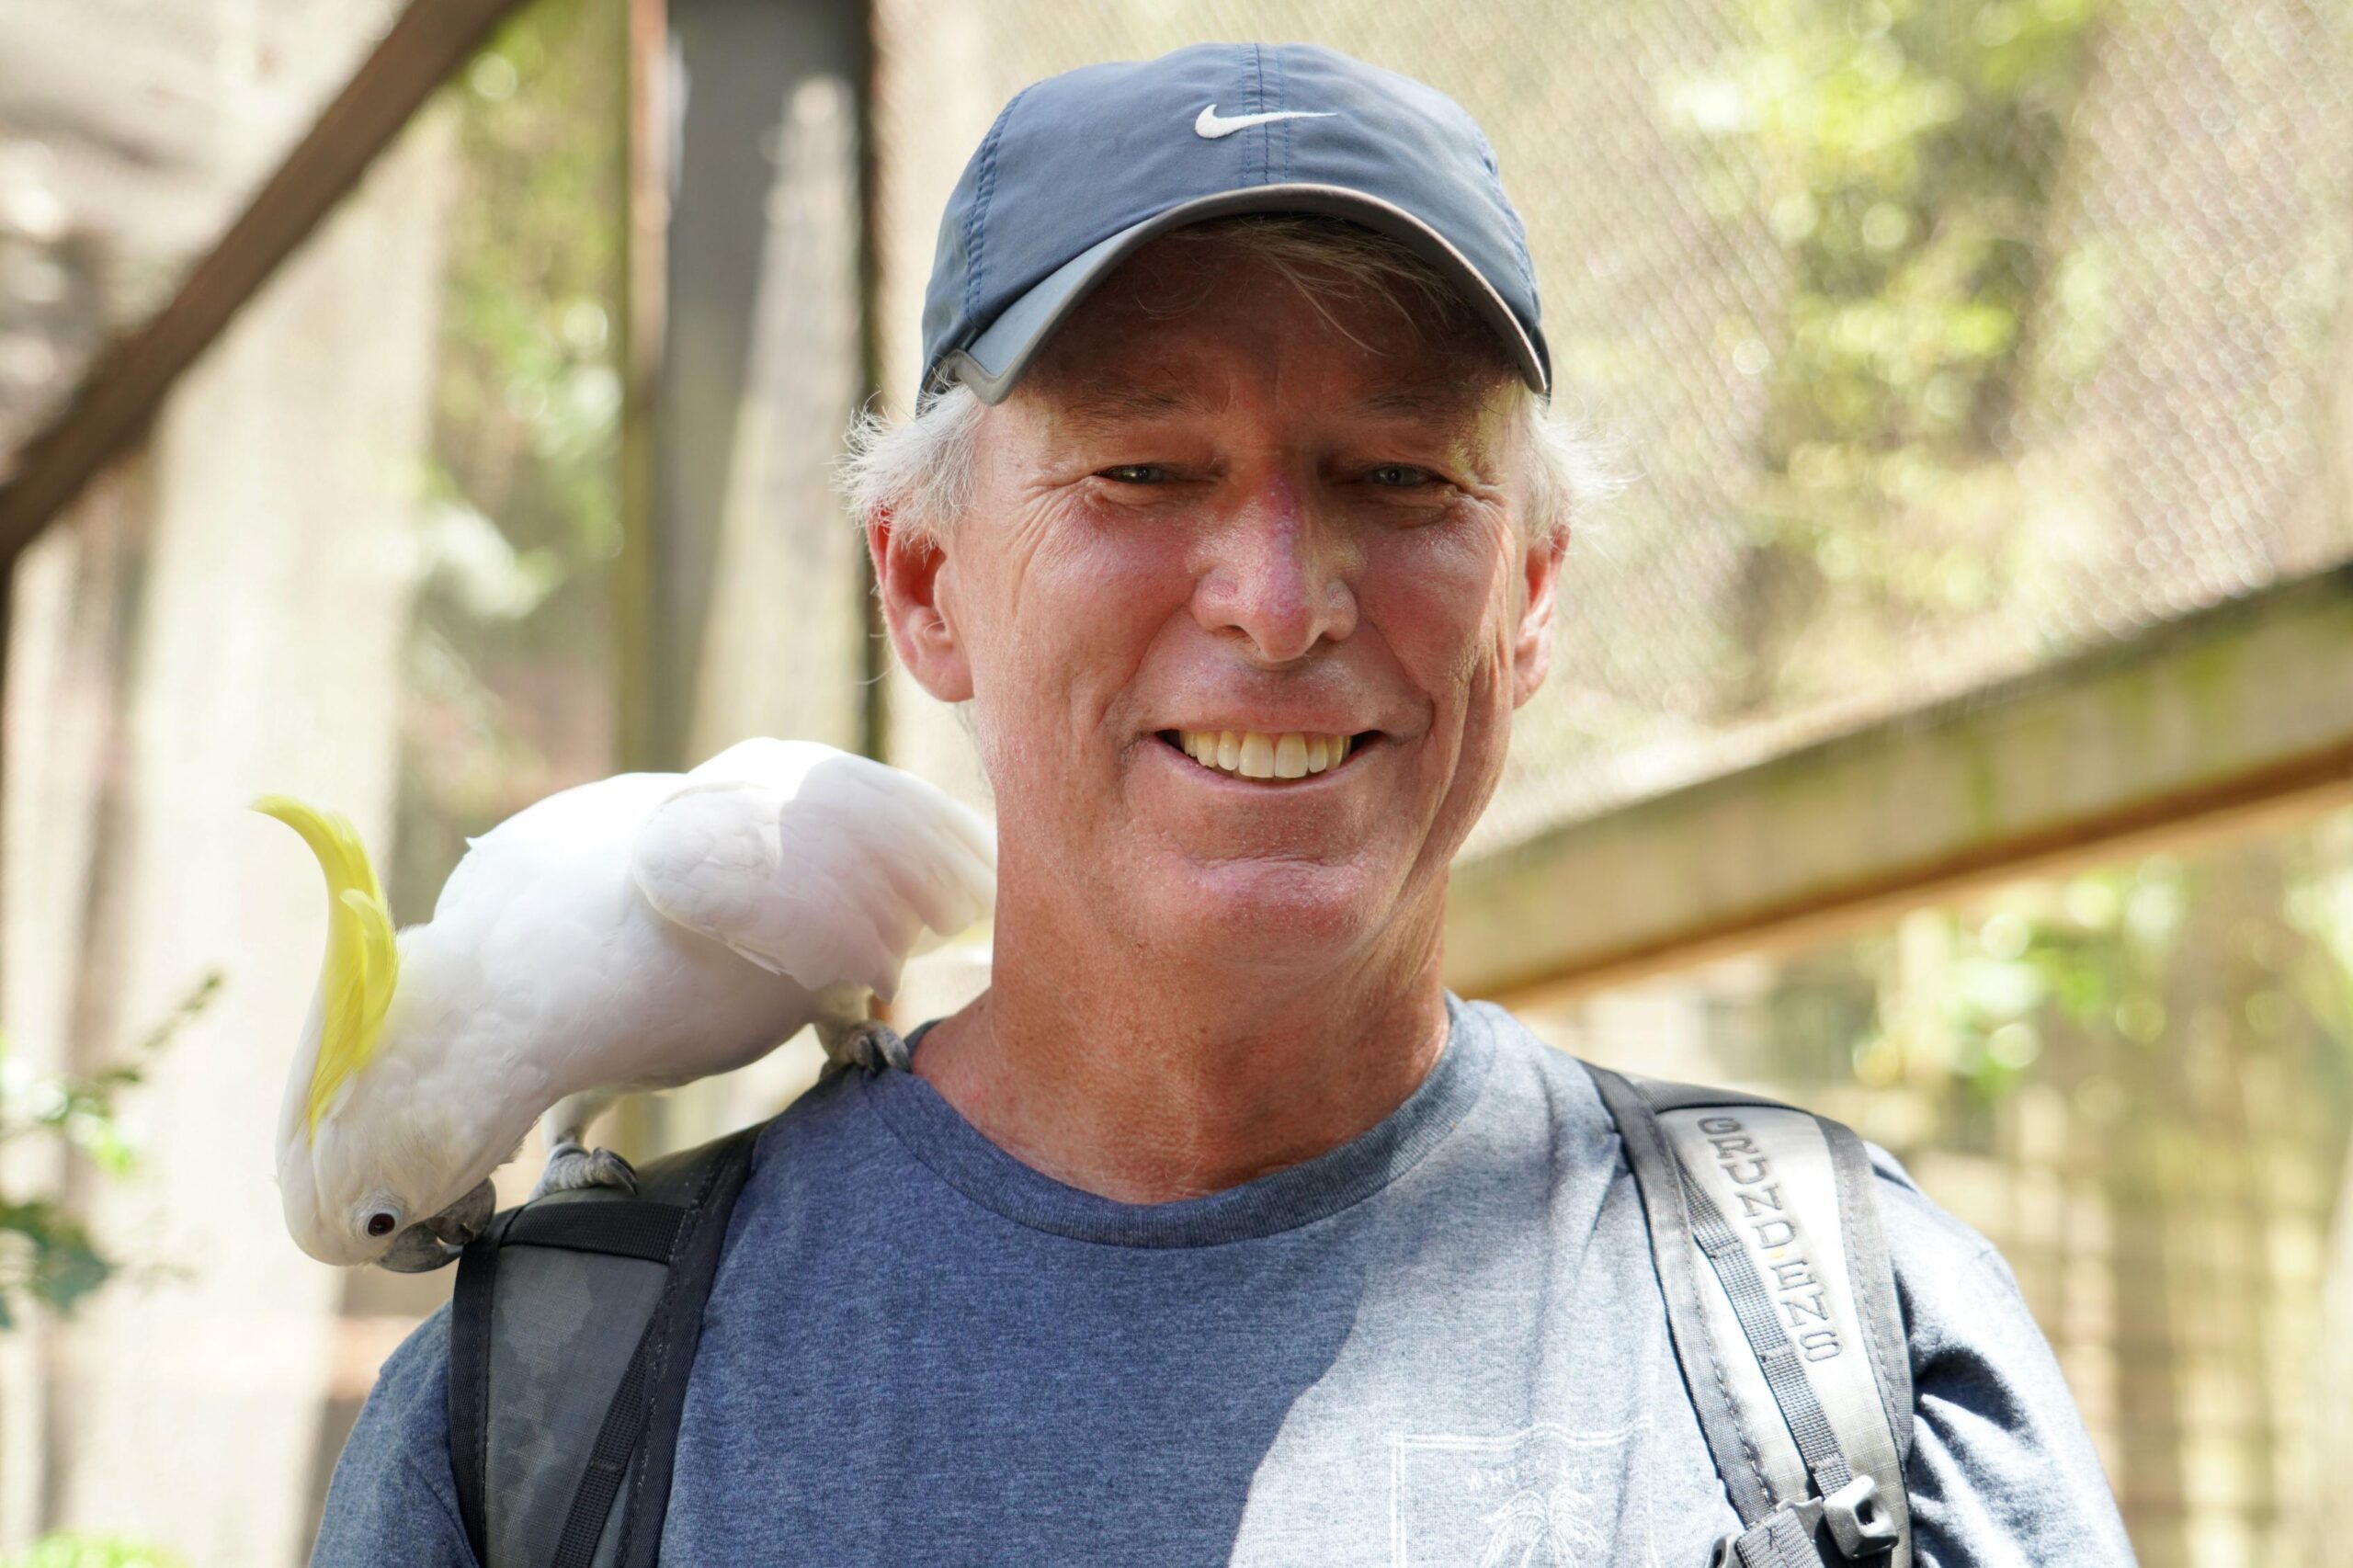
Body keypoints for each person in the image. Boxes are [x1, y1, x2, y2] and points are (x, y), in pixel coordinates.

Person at [313, 41, 2136, 1566]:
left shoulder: (1838, 1338)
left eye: (1400, 472)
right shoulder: (548, 1408)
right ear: (926, 587)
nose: (1275, 598)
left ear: (1534, 595)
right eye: (1140, 467)